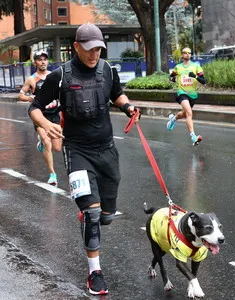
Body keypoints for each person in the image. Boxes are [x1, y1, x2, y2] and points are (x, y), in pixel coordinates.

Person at [28, 22, 140, 296]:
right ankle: (95, 273)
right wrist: (44, 124)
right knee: (91, 213)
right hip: (77, 150)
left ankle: (96, 213)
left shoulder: (107, 70)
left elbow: (116, 94)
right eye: (89, 49)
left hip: (106, 149)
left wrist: (127, 106)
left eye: (99, 49)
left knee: (107, 216)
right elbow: (34, 107)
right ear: (76, 47)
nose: (94, 54)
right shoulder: (60, 76)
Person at [19, 51, 62, 185]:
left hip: (54, 114)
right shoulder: (32, 79)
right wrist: (30, 98)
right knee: (47, 142)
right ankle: (52, 174)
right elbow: (20, 95)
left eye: (45, 59)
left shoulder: (53, 76)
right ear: (35, 63)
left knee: (57, 148)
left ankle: (41, 144)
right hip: (40, 115)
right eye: (39, 60)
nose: (43, 62)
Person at [168, 47, 206, 146]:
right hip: (182, 93)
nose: (188, 54)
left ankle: (173, 119)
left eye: (189, 53)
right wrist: (174, 80)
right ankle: (193, 137)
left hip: (192, 95)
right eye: (185, 53)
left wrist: (195, 76)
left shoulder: (196, 66)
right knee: (189, 113)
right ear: (182, 55)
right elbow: (170, 77)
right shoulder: (178, 67)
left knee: (185, 114)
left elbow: (204, 81)